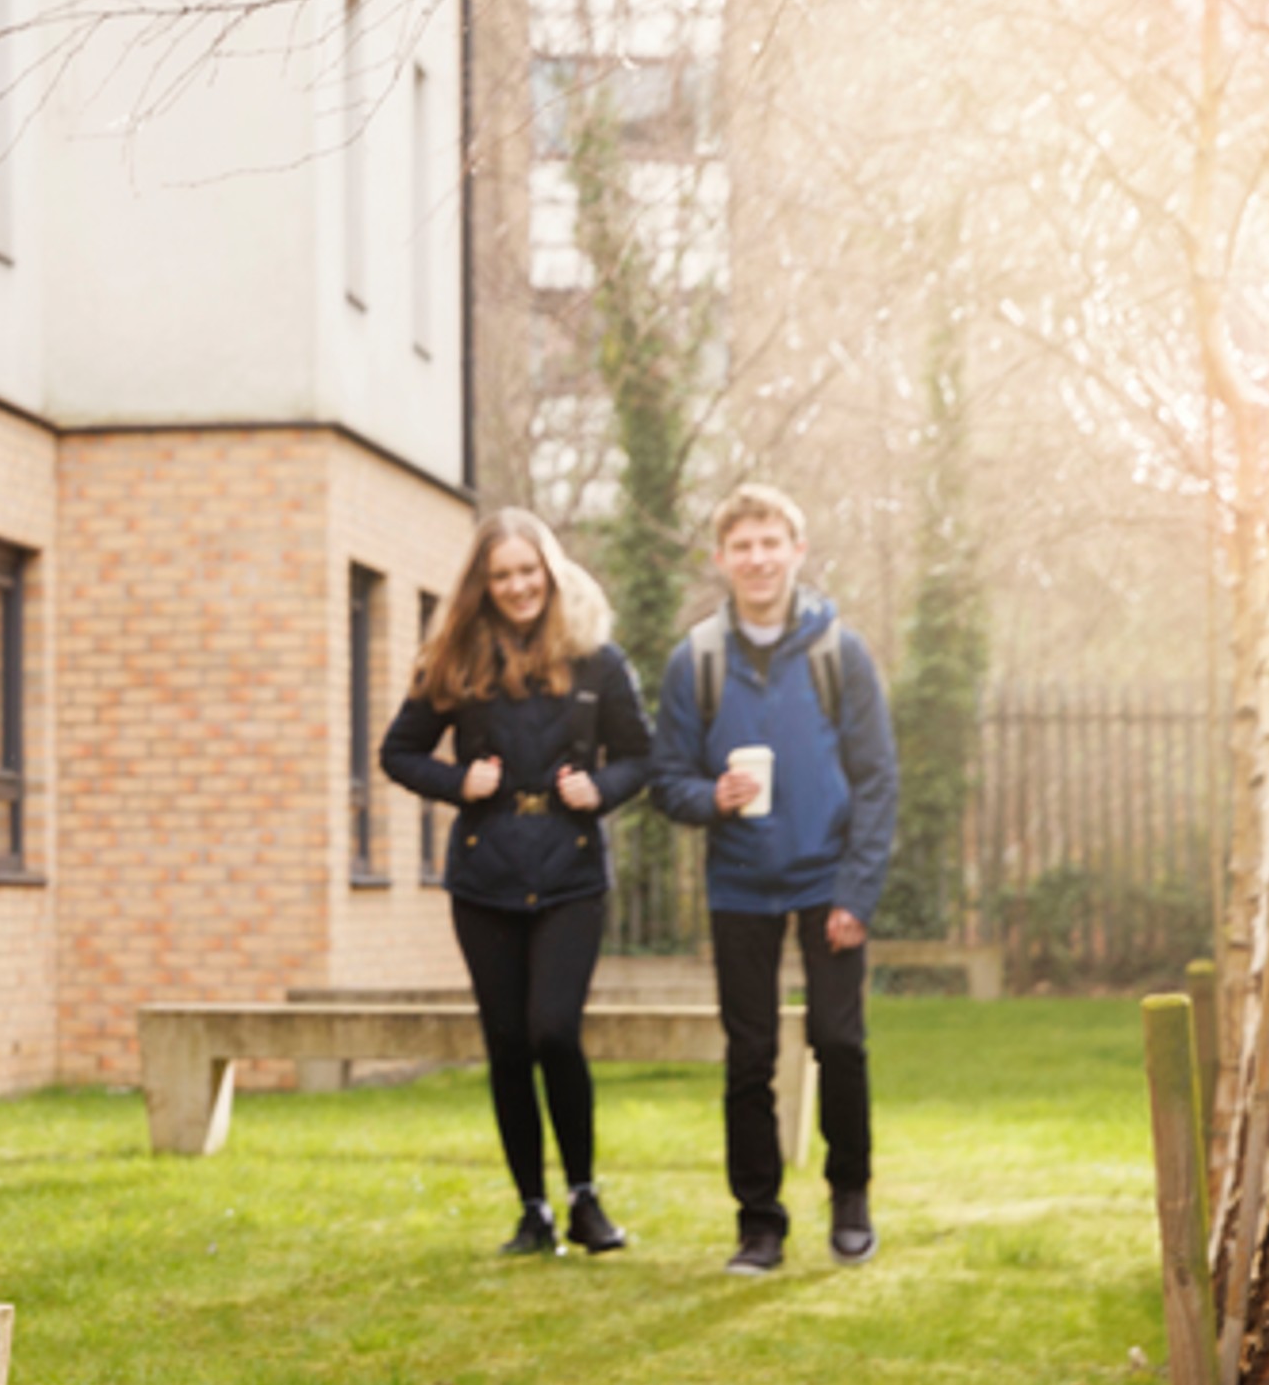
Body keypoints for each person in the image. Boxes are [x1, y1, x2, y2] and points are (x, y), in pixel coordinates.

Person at [379, 509, 655, 1259]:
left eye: (528, 571)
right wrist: (458, 780)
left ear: (550, 571)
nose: (517, 586)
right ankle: (532, 1212)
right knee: (506, 1042)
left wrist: (601, 789)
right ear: (483, 584)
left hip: (569, 872)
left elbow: (640, 756)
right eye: (501, 575)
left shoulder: (599, 659)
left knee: (553, 1031)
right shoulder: (456, 663)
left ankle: (584, 1199)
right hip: (485, 873)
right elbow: (398, 753)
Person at [647, 482, 900, 1273]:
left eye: (770, 543)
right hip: (740, 885)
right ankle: (759, 1224)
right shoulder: (697, 660)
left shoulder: (840, 653)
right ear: (721, 559)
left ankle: (850, 1200)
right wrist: (709, 797)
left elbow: (877, 779)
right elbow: (666, 778)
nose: (757, 559)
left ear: (797, 551)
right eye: (742, 546)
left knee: (839, 1041)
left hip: (828, 880)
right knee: (749, 1054)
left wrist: (856, 892)